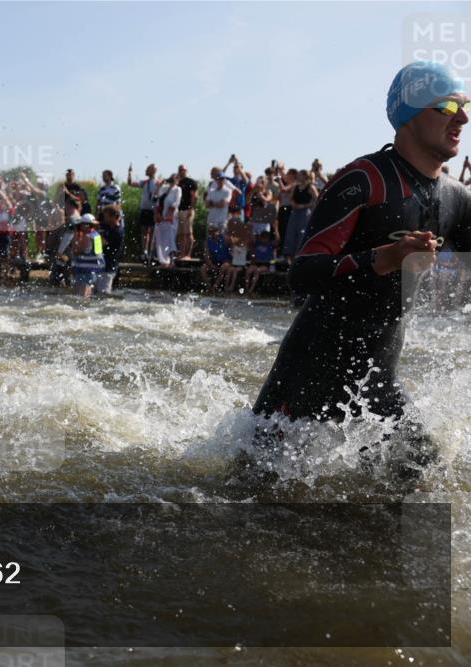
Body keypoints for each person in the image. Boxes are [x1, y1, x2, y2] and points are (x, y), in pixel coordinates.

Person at [252, 62, 471, 481]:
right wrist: (379, 259)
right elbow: (303, 273)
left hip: (375, 380)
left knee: (419, 474)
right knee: (254, 497)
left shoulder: (456, 198)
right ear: (408, 114)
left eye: (465, 106)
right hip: (306, 378)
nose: (462, 117)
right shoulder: (364, 179)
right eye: (447, 105)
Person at [281, 168, 319, 260]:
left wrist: (305, 205)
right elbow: (290, 198)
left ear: (305, 176)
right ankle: (290, 258)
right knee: (291, 233)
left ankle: (300, 256)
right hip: (295, 213)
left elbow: (317, 199)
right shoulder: (295, 186)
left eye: (300, 175)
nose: (297, 176)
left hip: (305, 213)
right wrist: (294, 204)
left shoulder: (311, 187)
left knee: (302, 234)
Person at [127, 163, 159, 262]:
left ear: (153, 170)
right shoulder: (145, 182)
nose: (145, 171)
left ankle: (151, 253)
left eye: (147, 169)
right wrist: (129, 173)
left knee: (153, 232)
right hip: (144, 210)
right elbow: (130, 183)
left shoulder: (158, 182)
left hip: (153, 211)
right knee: (144, 232)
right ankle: (144, 252)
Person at [71, 213, 104, 299]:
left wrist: (75, 236)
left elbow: (76, 251)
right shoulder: (96, 235)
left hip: (85, 270)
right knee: (88, 295)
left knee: (82, 296)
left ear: (85, 225)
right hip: (94, 270)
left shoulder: (87, 237)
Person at [154, 174, 181, 267]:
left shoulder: (177, 189)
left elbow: (175, 203)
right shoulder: (164, 188)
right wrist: (160, 184)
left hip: (170, 218)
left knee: (170, 239)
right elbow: (156, 197)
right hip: (161, 217)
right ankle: (163, 260)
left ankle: (171, 260)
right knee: (161, 239)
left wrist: (167, 217)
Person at [96, 204, 124, 294]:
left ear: (114, 217)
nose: (104, 219)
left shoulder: (117, 231)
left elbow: (101, 245)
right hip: (102, 266)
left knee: (103, 295)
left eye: (106, 217)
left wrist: (95, 234)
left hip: (108, 267)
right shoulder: (108, 227)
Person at [199, 225, 232, 292]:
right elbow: (206, 256)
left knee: (223, 267)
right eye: (211, 232)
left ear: (218, 231)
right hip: (213, 261)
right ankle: (208, 286)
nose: (213, 233)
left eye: (215, 231)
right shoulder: (207, 241)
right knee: (203, 268)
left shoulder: (224, 238)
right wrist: (212, 266)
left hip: (225, 261)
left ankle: (214, 287)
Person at [176, 164, 198, 259]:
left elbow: (195, 196)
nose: (182, 171)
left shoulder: (191, 182)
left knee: (188, 233)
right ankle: (182, 254)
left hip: (187, 210)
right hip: (179, 210)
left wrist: (191, 209)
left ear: (186, 171)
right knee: (181, 234)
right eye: (180, 170)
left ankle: (188, 254)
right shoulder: (178, 182)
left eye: (183, 170)